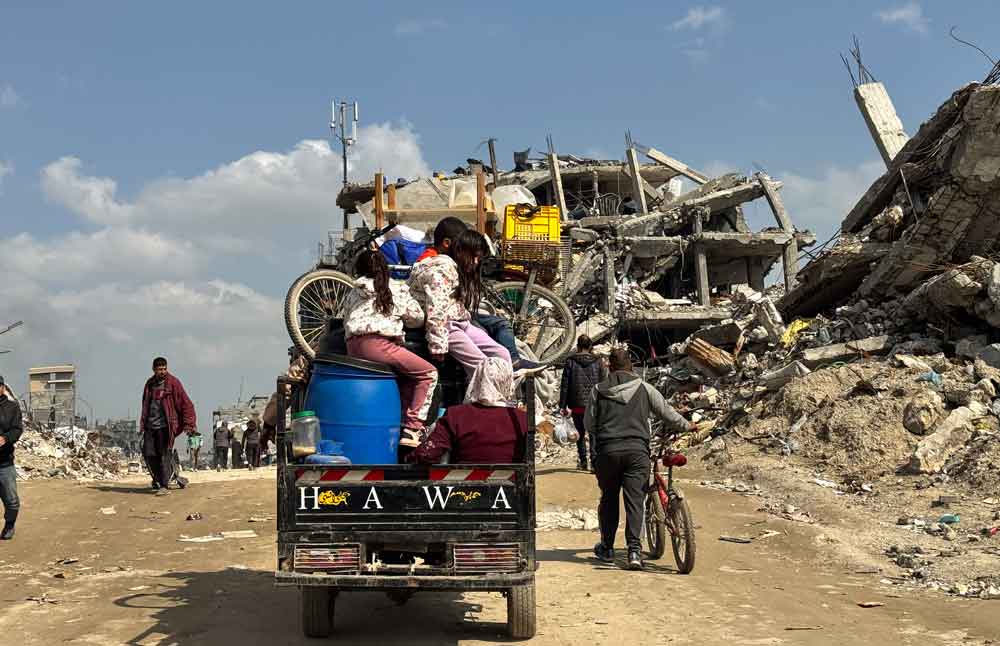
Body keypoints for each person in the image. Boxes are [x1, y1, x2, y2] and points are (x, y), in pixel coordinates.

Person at [584, 348, 694, 571]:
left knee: (609, 499)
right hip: (637, 452)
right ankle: (634, 551)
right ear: (631, 366)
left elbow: (588, 424)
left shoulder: (598, 390)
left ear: (609, 367)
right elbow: (667, 413)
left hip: (607, 452)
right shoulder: (645, 388)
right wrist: (687, 425)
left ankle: (606, 547)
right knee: (635, 502)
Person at [413, 218, 538, 372]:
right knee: (483, 365)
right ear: (448, 244)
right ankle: (486, 395)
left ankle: (508, 383)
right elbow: (437, 310)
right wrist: (438, 346)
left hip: (460, 320)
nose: (476, 262)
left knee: (502, 353)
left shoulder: (452, 266)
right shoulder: (438, 268)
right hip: (449, 325)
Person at [344, 248, 437, 453]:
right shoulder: (395, 288)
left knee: (405, 378)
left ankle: (401, 421)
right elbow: (417, 318)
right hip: (379, 345)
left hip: (352, 347)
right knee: (428, 374)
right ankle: (413, 429)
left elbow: (345, 318)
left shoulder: (353, 290)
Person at [408, 357, 527, 464]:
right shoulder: (521, 419)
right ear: (508, 382)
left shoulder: (456, 415)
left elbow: (427, 454)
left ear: (477, 379)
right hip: (510, 484)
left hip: (462, 486)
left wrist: (409, 458)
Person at [139, 357, 196, 495]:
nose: (162, 372)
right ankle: (164, 478)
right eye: (159, 369)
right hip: (150, 426)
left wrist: (189, 424)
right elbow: (145, 405)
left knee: (164, 454)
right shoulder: (150, 384)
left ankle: (164, 486)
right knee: (149, 454)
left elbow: (186, 404)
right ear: (154, 370)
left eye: (164, 369)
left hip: (167, 426)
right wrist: (143, 425)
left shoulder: (173, 383)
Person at [559, 335, 608, 471]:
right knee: (593, 434)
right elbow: (603, 383)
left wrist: (562, 405)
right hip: (593, 405)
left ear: (578, 346)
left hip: (576, 405)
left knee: (579, 433)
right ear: (590, 346)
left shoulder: (570, 361)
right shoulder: (599, 362)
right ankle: (594, 463)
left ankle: (583, 461)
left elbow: (565, 385)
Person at [0, 376, 23, 540]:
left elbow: (17, 429)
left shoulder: (12, 407)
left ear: (2, 388)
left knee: (11, 500)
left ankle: (9, 525)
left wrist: (6, 438)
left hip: (4, 462)